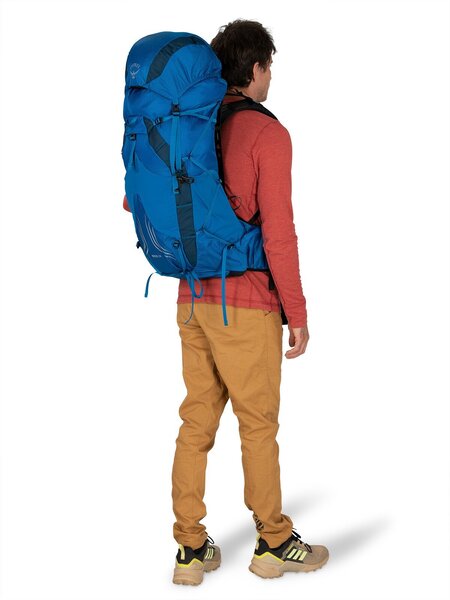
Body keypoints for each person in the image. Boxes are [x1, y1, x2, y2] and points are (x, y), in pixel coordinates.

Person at [123, 20, 329, 586]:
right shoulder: (267, 133)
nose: (270, 77)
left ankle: (190, 551)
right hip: (246, 303)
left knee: (196, 420)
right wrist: (297, 313)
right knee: (257, 425)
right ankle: (273, 543)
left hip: (190, 297)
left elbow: (135, 200)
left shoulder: (188, 121)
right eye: (269, 67)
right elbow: (279, 235)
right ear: (257, 67)